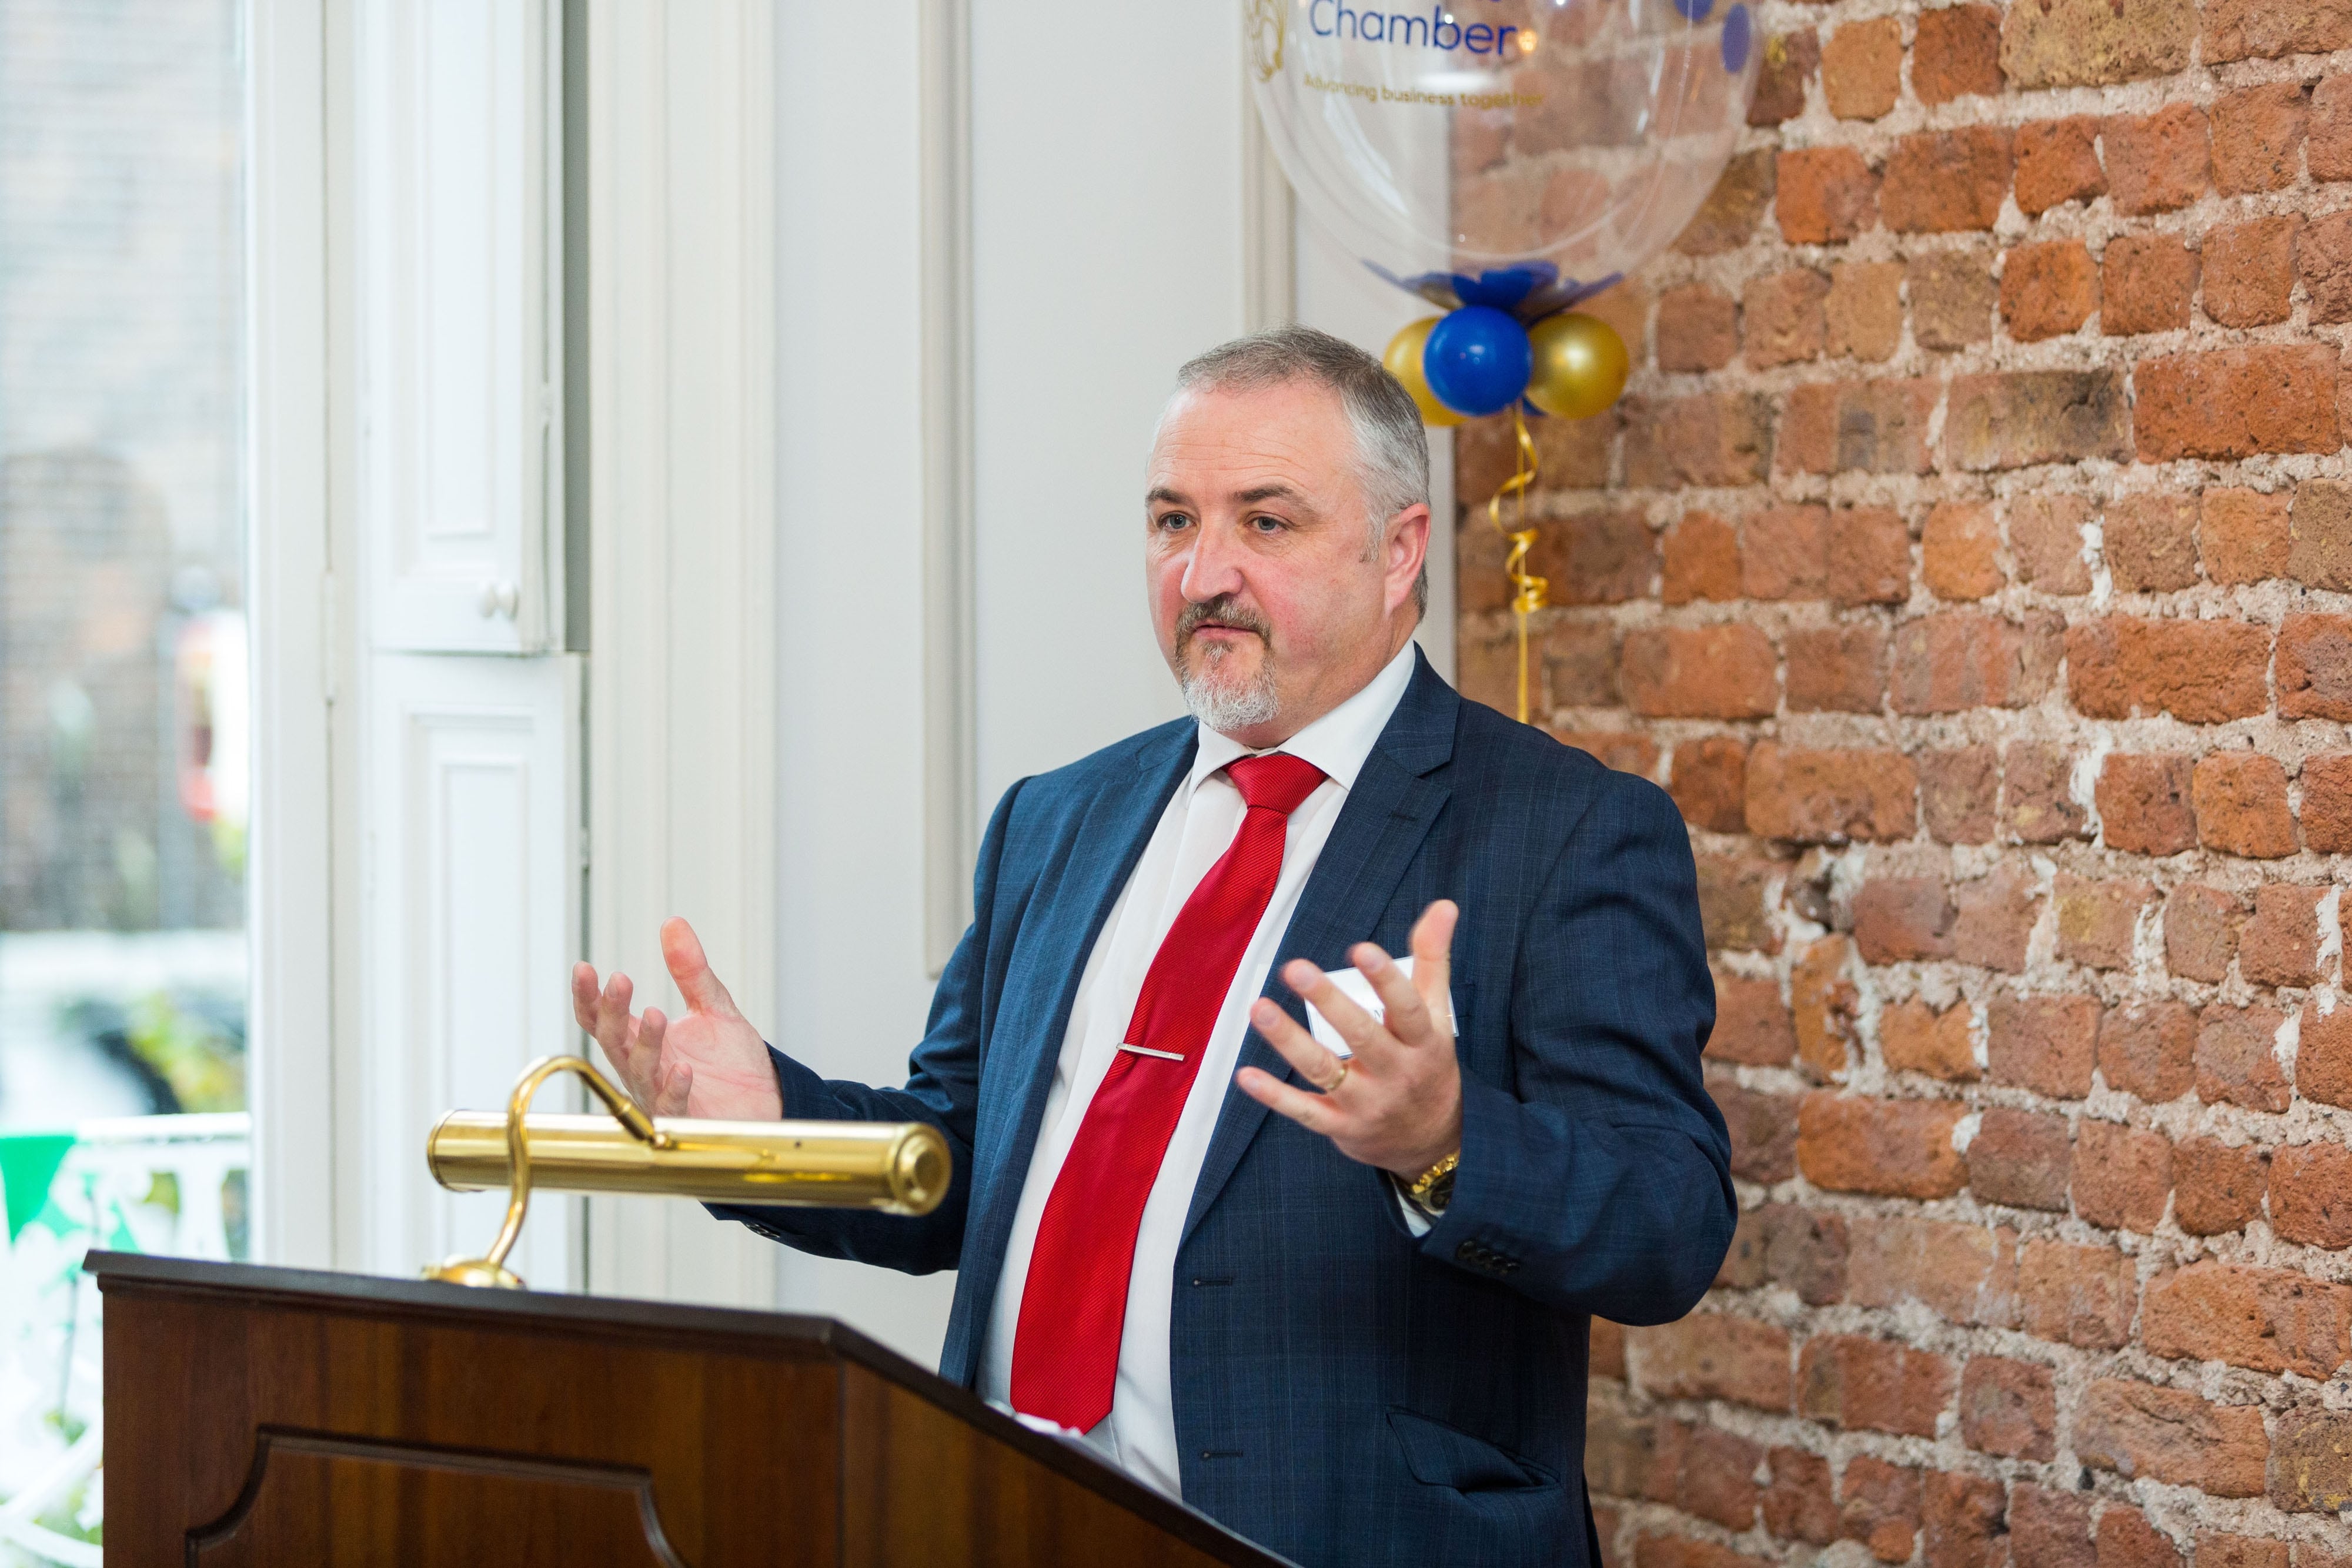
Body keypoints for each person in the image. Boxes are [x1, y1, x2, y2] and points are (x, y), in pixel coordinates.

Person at [571, 324, 1732, 1566]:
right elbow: (958, 1164)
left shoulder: (1563, 829)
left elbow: (1668, 1223)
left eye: (1264, 523)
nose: (1202, 574)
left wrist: (1444, 1145)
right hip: (1003, 1511)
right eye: (1173, 521)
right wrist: (772, 1129)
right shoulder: (1056, 819)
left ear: (1398, 552)